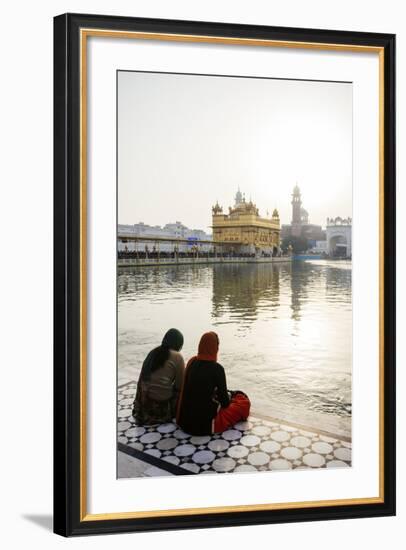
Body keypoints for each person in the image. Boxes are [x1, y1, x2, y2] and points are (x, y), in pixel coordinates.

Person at [176, 331, 251, 435]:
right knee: (243, 402)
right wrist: (228, 396)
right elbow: (225, 403)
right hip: (205, 425)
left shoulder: (191, 362)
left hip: (185, 423)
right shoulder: (217, 369)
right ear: (215, 348)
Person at [132, 328, 185, 425]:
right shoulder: (177, 356)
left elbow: (142, 380)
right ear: (178, 344)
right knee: (183, 392)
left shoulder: (153, 352)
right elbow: (180, 386)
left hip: (142, 407)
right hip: (161, 410)